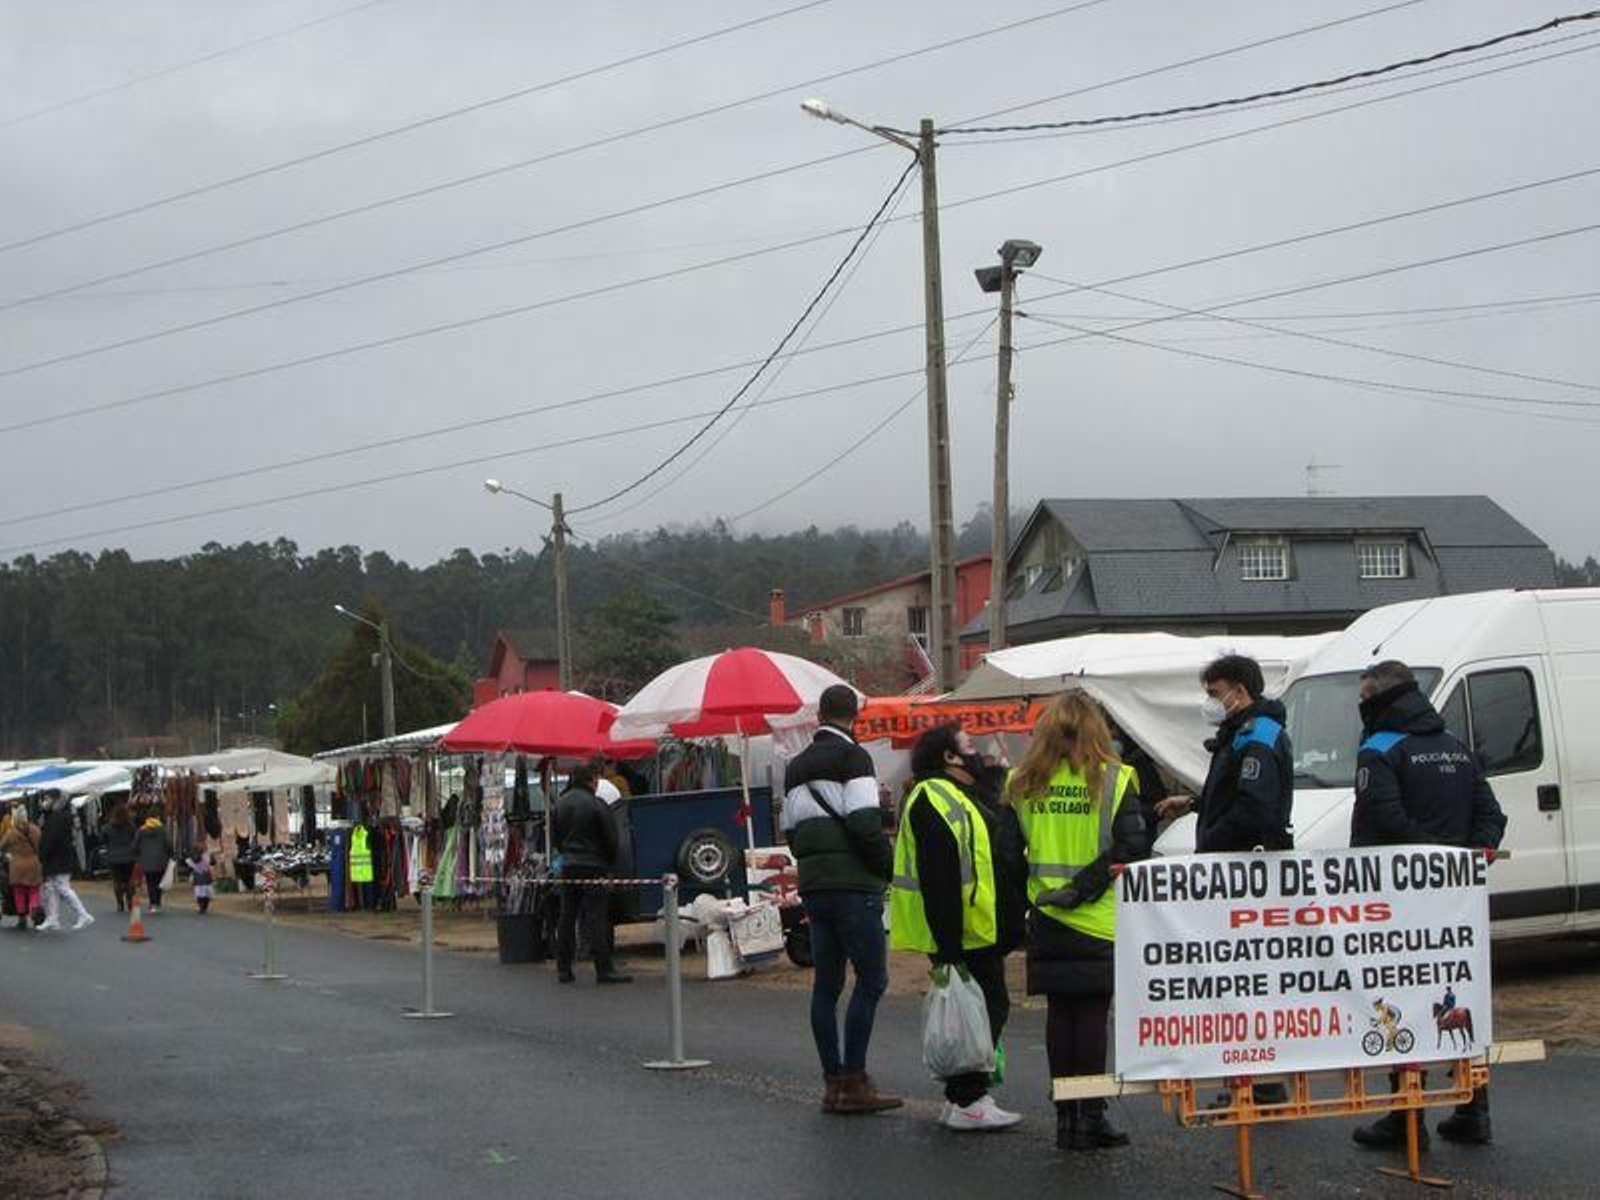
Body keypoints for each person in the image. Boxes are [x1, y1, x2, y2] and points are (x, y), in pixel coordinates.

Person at [1349, 659, 1506, 1151]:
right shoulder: (1454, 746)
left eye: (1362, 696)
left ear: (1378, 698)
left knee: (1403, 1000)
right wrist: (1458, 864)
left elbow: (1387, 819)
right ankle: (1473, 1110)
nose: (1358, 705)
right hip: (1456, 906)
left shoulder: (1378, 749)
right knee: (1462, 997)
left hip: (1399, 902)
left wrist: (1426, 862)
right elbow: (1491, 818)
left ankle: (1406, 1116)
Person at [1008, 691, 1148, 1151]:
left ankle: (1065, 1118)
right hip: (1095, 915)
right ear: (1096, 729)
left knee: (1060, 1013)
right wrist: (1084, 888)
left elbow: (1008, 854)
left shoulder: (1022, 781)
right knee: (1090, 1012)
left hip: (1044, 912)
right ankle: (1090, 1114)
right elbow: (1130, 848)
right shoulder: (1116, 779)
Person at [890, 724, 1027, 1131]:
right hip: (963, 934)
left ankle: (961, 1098)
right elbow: (940, 879)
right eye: (968, 746)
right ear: (949, 757)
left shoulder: (959, 794)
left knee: (981, 1009)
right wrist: (948, 949)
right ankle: (969, 1099)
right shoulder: (934, 797)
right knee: (982, 1011)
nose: (978, 752)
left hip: (976, 929)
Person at [782, 683, 901, 1116]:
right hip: (855, 885)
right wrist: (886, 869)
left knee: (825, 987)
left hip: (815, 887)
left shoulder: (795, 767)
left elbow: (792, 833)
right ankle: (855, 1079)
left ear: (820, 715)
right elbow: (867, 823)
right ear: (855, 716)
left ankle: (832, 1083)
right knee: (871, 980)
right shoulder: (855, 758)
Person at [1158, 655, 1294, 853]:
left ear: (1239, 691)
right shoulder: (1237, 732)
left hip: (1244, 861)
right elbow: (1232, 792)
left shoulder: (1258, 737)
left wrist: (1212, 841)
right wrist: (1195, 803)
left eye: (1215, 694)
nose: (1210, 702)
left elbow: (1254, 806)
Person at [552, 763, 630, 985]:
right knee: (597, 917)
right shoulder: (597, 805)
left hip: (569, 865)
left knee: (567, 917)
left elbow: (556, 838)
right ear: (593, 780)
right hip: (594, 865)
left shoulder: (560, 803)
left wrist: (567, 852)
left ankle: (564, 968)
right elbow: (611, 839)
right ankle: (603, 969)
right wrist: (608, 864)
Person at [38, 792, 93, 931]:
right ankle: (53, 918)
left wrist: (43, 855)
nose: (45, 801)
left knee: (62, 887)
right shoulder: (59, 815)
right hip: (60, 857)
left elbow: (51, 839)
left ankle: (83, 914)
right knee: (52, 888)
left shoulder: (57, 817)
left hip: (58, 858)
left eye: (47, 798)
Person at [1, 806, 45, 931]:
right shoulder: (36, 830)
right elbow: (41, 846)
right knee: (34, 891)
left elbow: (2, 846)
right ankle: (34, 911)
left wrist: (9, 854)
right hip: (34, 864)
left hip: (17, 865)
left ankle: (22, 919)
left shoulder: (11, 832)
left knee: (19, 893)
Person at [133, 814, 173, 913]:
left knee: (150, 882)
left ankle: (152, 903)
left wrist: (139, 855)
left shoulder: (141, 831)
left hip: (146, 861)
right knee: (159, 882)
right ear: (158, 819)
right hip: (161, 860)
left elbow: (135, 845)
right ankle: (158, 902)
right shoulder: (162, 830)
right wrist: (170, 854)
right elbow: (168, 844)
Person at [102, 802, 137, 913]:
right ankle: (130, 902)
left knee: (117, 881)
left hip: (113, 857)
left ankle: (119, 904)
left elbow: (103, 840)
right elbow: (135, 839)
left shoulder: (107, 827)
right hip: (129, 857)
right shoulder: (131, 826)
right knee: (129, 881)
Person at [186, 841, 216, 915]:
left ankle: (201, 907)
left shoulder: (193, 858)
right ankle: (204, 907)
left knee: (199, 895)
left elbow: (190, 868)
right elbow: (213, 862)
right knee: (207, 894)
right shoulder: (208, 856)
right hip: (207, 878)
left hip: (198, 879)